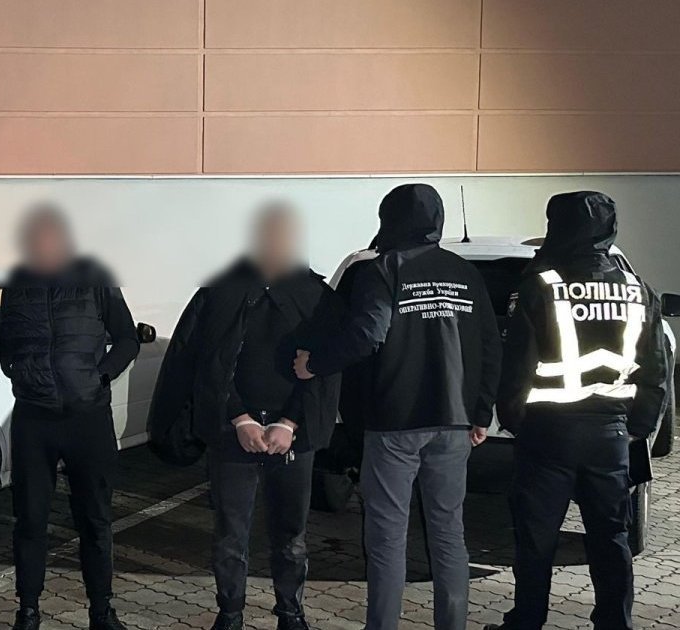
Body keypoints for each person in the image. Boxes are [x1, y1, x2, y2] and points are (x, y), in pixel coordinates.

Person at [293, 184, 502, 630]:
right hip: (454, 423)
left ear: (389, 218)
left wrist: (316, 364)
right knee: (448, 534)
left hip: (394, 422)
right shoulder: (465, 273)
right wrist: (481, 413)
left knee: (387, 535)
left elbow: (368, 334)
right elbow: (489, 347)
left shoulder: (384, 269)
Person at [149, 205, 342, 630]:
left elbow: (326, 369)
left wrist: (289, 424)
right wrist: (240, 419)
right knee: (230, 536)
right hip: (232, 434)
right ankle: (230, 614)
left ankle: (291, 613)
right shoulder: (219, 292)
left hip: (293, 437)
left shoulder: (316, 294)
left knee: (291, 535)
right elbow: (204, 361)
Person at [486, 192, 668, 630]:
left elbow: (517, 367)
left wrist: (514, 422)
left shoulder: (540, 284)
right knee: (611, 537)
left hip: (548, 435)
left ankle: (527, 621)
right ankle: (615, 622)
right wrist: (636, 428)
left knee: (536, 539)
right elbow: (657, 370)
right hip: (612, 435)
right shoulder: (637, 289)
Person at [0, 206, 139, 630]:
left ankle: (101, 611)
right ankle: (28, 611)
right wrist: (22, 374)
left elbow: (127, 339)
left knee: (95, 519)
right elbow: (7, 348)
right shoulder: (17, 283)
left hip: (87, 418)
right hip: (34, 420)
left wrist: (101, 376)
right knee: (30, 520)